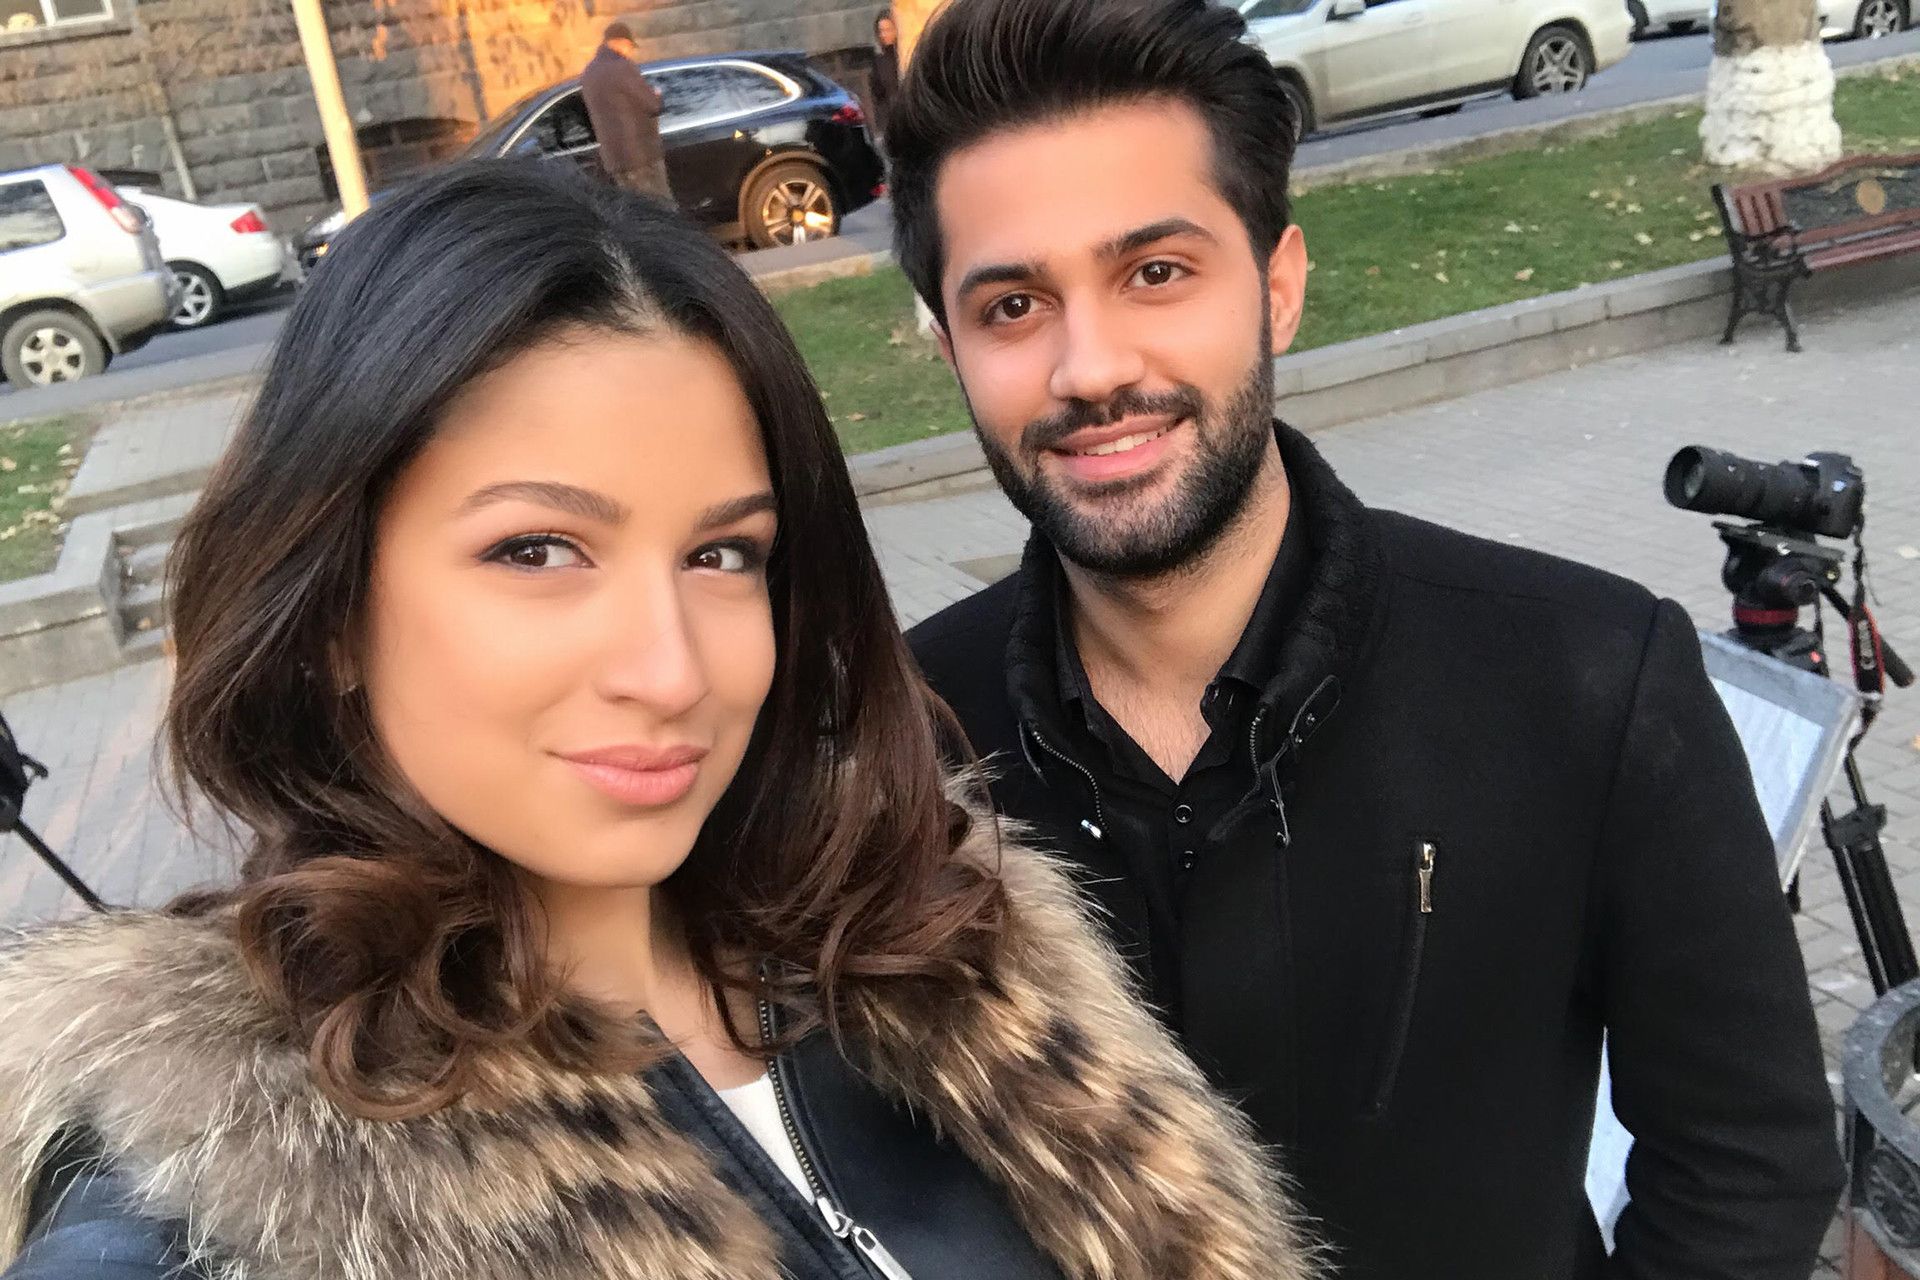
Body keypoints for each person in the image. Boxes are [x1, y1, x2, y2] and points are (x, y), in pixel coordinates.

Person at [0, 162, 1316, 1280]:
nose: (670, 669)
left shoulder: (940, 946)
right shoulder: (202, 1198)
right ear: (335, 609)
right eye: (537, 549)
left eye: (723, 555)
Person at [888, 1, 1845, 1277]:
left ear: (1278, 286)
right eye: (1013, 304)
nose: (1091, 366)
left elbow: (1751, 1159)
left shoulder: (1592, 678)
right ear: (952, 346)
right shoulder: (898, 745)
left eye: (1156, 272)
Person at [580, 21, 671, 201]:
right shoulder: (622, 67)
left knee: (636, 211)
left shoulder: (588, 73)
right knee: (661, 208)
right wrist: (657, 95)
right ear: (621, 42)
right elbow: (653, 105)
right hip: (640, 156)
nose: (630, 52)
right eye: (630, 47)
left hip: (614, 160)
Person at [868, 10, 902, 145]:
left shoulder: (905, 55)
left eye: (888, 30)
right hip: (892, 122)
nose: (884, 35)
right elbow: (878, 95)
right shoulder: (879, 61)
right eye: (881, 31)